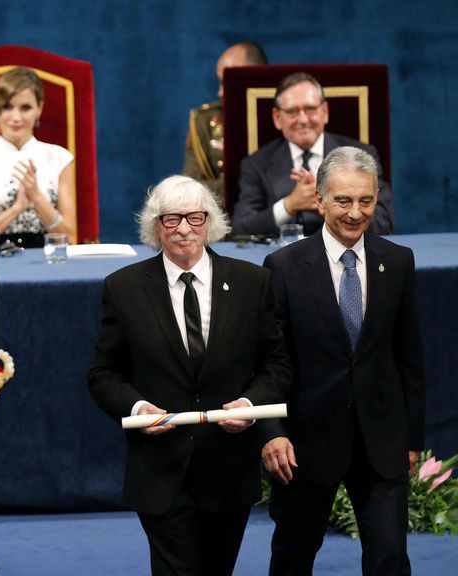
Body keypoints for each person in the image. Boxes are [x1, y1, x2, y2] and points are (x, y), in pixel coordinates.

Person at [87, 175, 291, 576]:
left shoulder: (253, 283)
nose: (184, 229)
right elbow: (102, 374)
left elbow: (277, 365)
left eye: (195, 218)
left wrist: (251, 405)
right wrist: (138, 406)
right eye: (172, 219)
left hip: (228, 470)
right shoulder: (124, 288)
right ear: (155, 226)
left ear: (210, 222)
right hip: (160, 472)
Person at [259, 146, 424, 575]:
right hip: (306, 444)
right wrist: (272, 432)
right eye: (343, 200)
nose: (355, 212)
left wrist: (410, 438)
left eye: (365, 200)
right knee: (293, 557)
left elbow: (409, 357)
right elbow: (270, 361)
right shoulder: (283, 267)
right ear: (319, 200)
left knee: (389, 558)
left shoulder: (398, 261)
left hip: (381, 440)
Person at [233, 72, 395, 238]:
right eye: (292, 112)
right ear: (277, 117)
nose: (303, 120)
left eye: (310, 109)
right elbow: (240, 230)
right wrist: (289, 205)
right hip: (284, 259)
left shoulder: (363, 155)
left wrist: (327, 206)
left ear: (324, 111)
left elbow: (384, 223)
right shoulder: (256, 164)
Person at [0, 66, 75, 248]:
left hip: (48, 260)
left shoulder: (60, 158)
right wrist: (16, 208)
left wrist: (36, 196)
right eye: (7, 107)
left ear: (40, 109)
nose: (16, 117)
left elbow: (70, 237)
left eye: (25, 108)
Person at [183, 41, 268, 193]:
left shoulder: (287, 116)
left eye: (227, 82)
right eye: (219, 82)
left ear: (256, 76)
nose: (220, 92)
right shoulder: (204, 121)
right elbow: (192, 190)